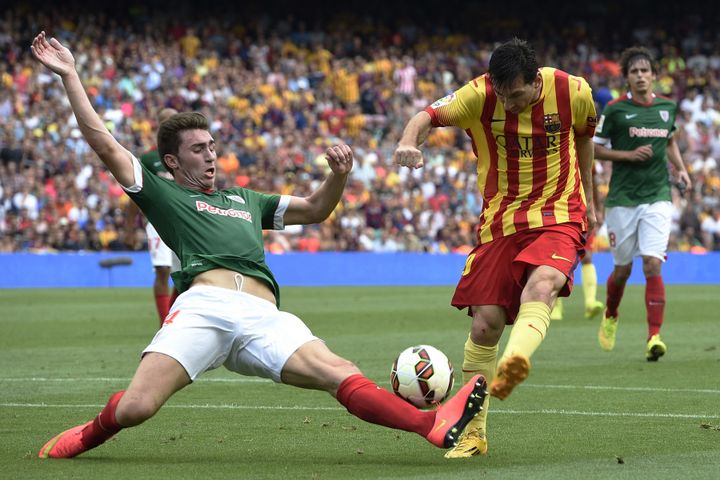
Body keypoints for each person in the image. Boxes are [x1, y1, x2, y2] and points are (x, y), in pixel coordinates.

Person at [31, 31, 487, 459]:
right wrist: (71, 75)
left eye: (212, 146)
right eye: (197, 150)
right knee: (136, 409)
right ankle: (92, 432)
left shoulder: (246, 200)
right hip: (203, 308)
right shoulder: (165, 194)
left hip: (263, 317)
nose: (210, 154)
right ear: (172, 161)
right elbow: (103, 143)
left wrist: (339, 176)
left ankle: (429, 424)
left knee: (338, 371)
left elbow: (313, 209)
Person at [394, 38, 597, 458]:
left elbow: (585, 140)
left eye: (516, 95)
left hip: (559, 212)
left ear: (535, 81)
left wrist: (591, 201)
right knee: (485, 325)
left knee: (542, 286)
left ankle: (514, 362)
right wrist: (409, 141)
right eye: (502, 94)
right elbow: (426, 115)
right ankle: (474, 434)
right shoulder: (479, 95)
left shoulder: (573, 92)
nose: (508, 103)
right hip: (500, 221)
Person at [593, 46, 691, 361]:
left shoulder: (666, 108)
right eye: (634, 72)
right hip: (622, 199)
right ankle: (611, 313)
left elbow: (671, 140)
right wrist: (627, 156)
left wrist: (682, 169)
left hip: (657, 196)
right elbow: (594, 150)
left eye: (644, 71)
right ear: (627, 78)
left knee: (652, 263)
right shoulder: (616, 110)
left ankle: (654, 337)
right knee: (622, 270)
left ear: (653, 75)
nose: (640, 76)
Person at [124, 108, 181, 328]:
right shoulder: (148, 158)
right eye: (166, 122)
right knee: (162, 269)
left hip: (183, 221)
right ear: (159, 125)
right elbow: (135, 193)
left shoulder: (187, 155)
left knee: (183, 273)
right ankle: (164, 325)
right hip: (157, 222)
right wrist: (129, 228)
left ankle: (173, 319)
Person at [550, 161, 604, 322]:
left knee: (586, 255)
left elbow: (591, 181)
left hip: (581, 210)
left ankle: (590, 302)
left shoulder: (586, 154)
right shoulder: (557, 150)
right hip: (558, 210)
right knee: (554, 257)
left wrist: (597, 209)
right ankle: (555, 307)